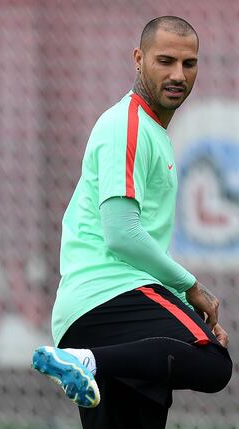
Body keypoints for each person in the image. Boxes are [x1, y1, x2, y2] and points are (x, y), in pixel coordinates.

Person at [32, 16, 232, 429]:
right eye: (165, 61)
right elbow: (121, 233)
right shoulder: (128, 123)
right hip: (111, 293)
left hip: (91, 311)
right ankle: (84, 360)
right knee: (212, 361)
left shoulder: (151, 130)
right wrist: (191, 287)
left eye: (189, 63)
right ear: (138, 60)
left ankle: (85, 361)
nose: (178, 75)